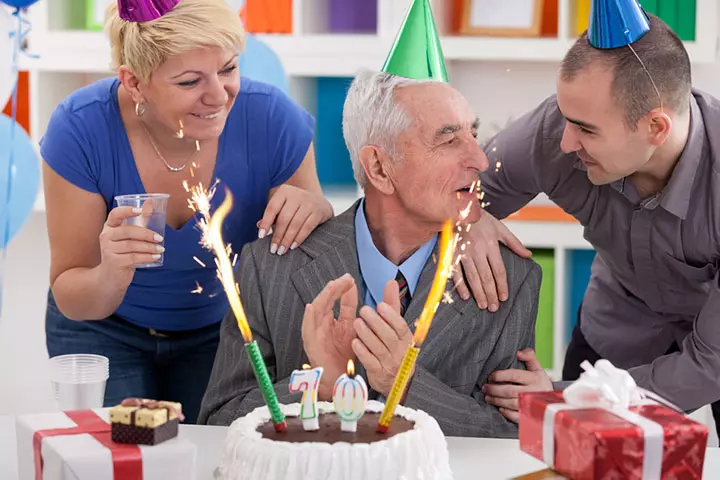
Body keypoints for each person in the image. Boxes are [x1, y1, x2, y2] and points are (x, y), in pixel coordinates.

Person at [197, 68, 543, 437]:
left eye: (473, 134)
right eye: (449, 140)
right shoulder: (269, 267)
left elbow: (510, 438)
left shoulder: (512, 279)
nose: (480, 159)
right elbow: (217, 425)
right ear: (378, 167)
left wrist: (407, 384)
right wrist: (318, 386)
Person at [40, 0, 334, 423]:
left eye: (229, 69)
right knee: (119, 458)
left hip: (224, 333)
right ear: (134, 83)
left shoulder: (272, 119)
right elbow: (73, 294)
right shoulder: (79, 129)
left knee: (214, 457)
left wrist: (318, 210)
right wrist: (112, 272)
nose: (218, 95)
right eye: (190, 80)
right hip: (102, 328)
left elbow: (308, 264)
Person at [475, 12, 720, 433]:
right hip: (613, 330)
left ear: (656, 127)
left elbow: (708, 365)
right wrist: (469, 215)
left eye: (586, 130)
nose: (566, 142)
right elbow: (461, 186)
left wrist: (562, 396)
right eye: (565, 118)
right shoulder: (556, 129)